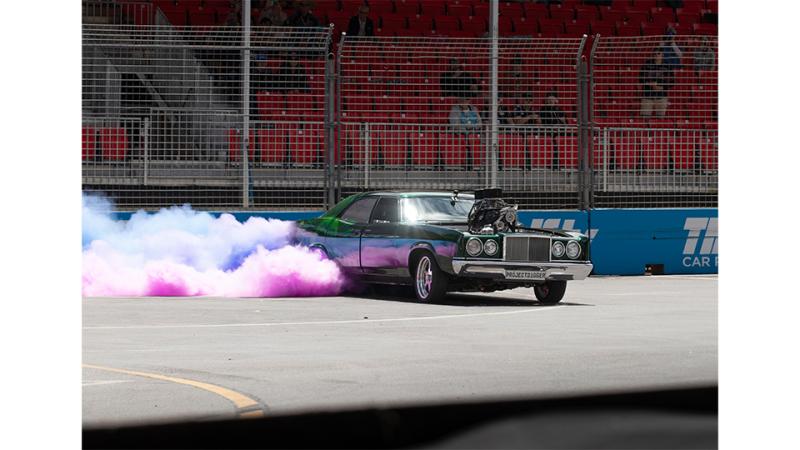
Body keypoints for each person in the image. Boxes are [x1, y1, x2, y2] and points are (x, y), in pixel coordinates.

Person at [638, 50, 674, 117]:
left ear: (662, 55)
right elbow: (641, 79)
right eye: (654, 53)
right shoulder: (647, 65)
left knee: (661, 119)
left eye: (658, 53)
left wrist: (662, 87)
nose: (656, 55)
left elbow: (672, 81)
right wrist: (649, 84)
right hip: (647, 96)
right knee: (645, 118)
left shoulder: (667, 66)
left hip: (661, 97)